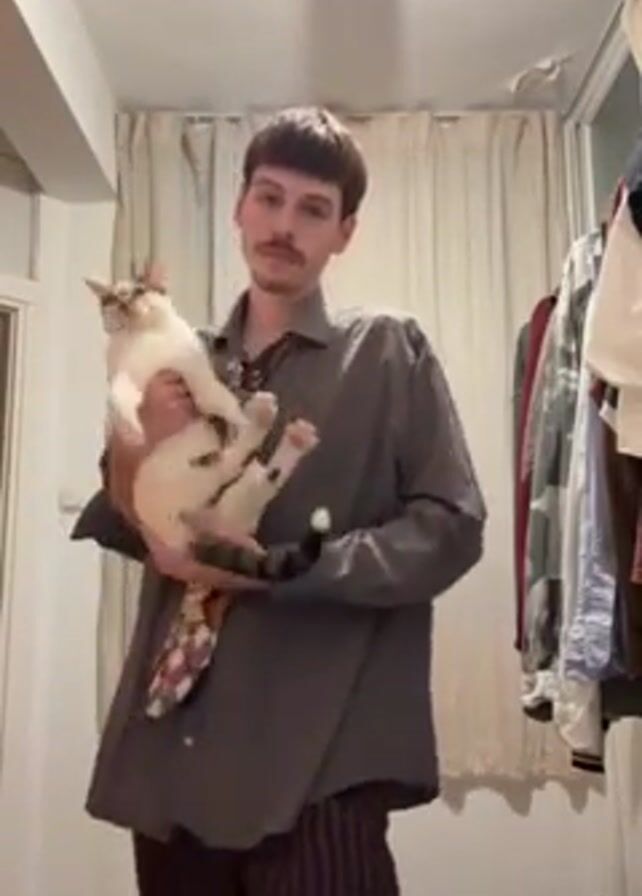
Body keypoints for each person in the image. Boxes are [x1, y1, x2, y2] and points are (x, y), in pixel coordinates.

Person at [82, 107, 486, 895]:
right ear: (239, 208)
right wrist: (136, 447)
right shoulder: (178, 360)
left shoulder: (388, 351)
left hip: (320, 765)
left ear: (344, 233)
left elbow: (451, 529)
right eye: (268, 198)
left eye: (313, 209)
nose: (283, 226)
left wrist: (276, 571)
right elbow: (129, 522)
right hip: (172, 768)